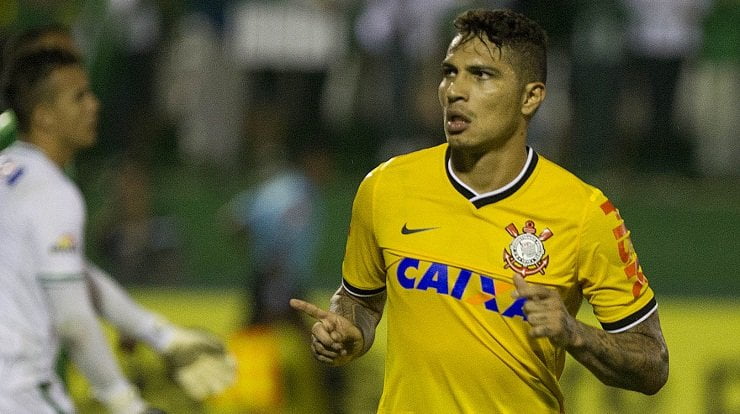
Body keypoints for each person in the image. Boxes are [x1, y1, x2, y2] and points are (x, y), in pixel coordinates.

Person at [290, 8, 669, 413]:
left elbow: (652, 364)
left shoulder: (583, 213)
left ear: (531, 97)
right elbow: (359, 300)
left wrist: (575, 333)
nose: (455, 90)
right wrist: (350, 332)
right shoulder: (386, 186)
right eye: (450, 72)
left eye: (481, 75)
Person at [0, 47, 234, 413]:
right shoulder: (51, 191)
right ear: (43, 116)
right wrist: (125, 403)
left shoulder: (9, 174)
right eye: (79, 97)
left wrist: (162, 336)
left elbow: (75, 275)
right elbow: (73, 319)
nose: (93, 105)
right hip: (19, 392)